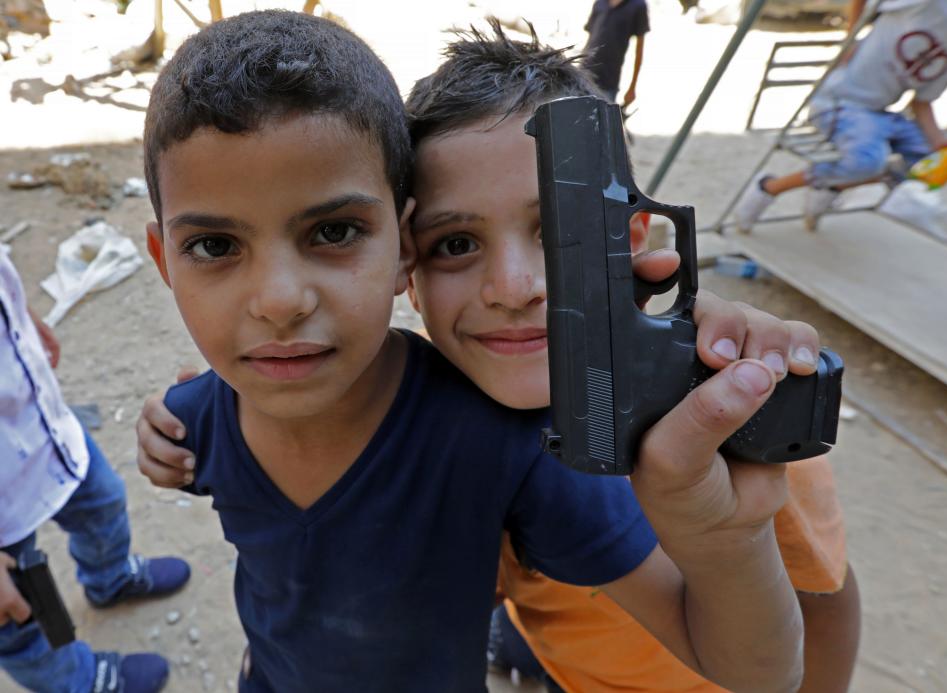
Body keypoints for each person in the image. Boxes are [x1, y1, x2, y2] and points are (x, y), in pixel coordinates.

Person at [135, 9, 806, 691]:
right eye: (215, 246)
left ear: (402, 250)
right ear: (165, 260)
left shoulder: (510, 442)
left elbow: (756, 670)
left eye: (333, 231)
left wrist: (729, 540)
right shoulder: (198, 415)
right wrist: (165, 436)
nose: (279, 300)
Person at [400, 22, 859, 693]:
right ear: (409, 275)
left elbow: (829, 602)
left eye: (556, 230)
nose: (513, 287)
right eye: (455, 244)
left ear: (637, 235)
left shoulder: (735, 410)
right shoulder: (438, 416)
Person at [0, 247, 191, 693]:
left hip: (40, 427)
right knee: (21, 613)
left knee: (103, 501)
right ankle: (79, 684)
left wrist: (18, 316)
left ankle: (110, 580)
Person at [734, 0, 947, 233]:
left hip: (880, 113)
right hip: (839, 102)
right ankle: (769, 187)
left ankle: (833, 185)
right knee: (867, 162)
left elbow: (921, 102)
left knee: (930, 162)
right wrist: (850, 37)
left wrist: (938, 141)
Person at [582, 0, 649, 105]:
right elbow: (590, 39)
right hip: (583, 74)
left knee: (605, 119)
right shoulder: (600, 3)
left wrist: (632, 87)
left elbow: (639, 50)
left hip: (609, 81)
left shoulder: (638, 5)